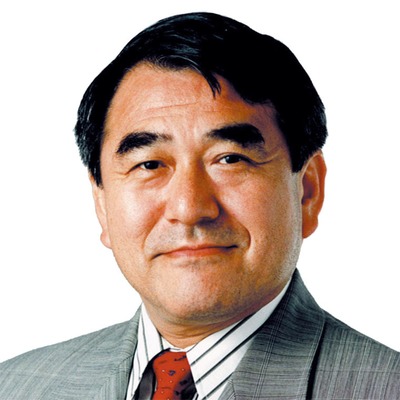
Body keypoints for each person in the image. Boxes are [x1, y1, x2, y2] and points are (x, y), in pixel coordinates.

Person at [0, 11, 398, 400]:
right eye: (149, 164)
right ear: (101, 203)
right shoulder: (15, 386)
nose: (189, 208)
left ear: (307, 191)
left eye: (230, 159)